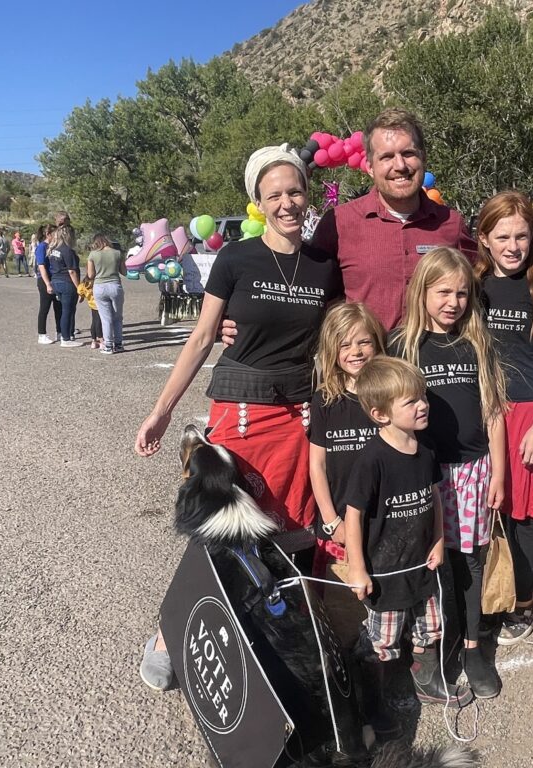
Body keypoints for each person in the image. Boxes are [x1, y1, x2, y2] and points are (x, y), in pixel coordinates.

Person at [133, 144, 343, 691]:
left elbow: (334, 337)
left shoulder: (324, 265)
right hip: (241, 410)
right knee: (219, 526)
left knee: (290, 530)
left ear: (307, 194)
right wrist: (161, 411)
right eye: (274, 194)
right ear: (257, 201)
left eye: (295, 191)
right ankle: (170, 634)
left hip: (300, 416)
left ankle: (277, 634)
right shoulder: (236, 259)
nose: (287, 202)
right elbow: (204, 335)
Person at [220, 108, 477, 343]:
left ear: (423, 157)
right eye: (387, 157)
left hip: (438, 377)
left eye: (408, 153)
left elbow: (483, 287)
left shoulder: (451, 224)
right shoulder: (340, 223)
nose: (400, 166)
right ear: (369, 165)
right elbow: (297, 280)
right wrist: (240, 314)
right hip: (365, 377)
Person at [390, 247, 507, 698]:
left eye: (461, 293)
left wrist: (497, 473)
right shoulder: (402, 345)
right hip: (425, 476)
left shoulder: (477, 341)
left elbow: (494, 409)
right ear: (422, 291)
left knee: (471, 562)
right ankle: (438, 645)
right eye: (443, 292)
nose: (452, 302)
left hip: (473, 470)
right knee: (433, 564)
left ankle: (475, 647)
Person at [345, 356, 471, 735]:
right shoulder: (371, 460)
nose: (423, 405)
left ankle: (427, 679)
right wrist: (357, 568)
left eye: (422, 397)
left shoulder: (427, 450)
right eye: (411, 402)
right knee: (383, 641)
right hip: (386, 572)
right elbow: (353, 515)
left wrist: (438, 539)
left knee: (430, 626)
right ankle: (371, 700)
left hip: (423, 565)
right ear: (380, 413)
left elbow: (434, 497)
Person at [476, 191, 533, 645]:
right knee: (490, 511)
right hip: (486, 412)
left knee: (529, 519)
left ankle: (525, 602)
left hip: (530, 415)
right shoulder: (473, 285)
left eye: (521, 236)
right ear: (485, 240)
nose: (512, 246)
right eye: (503, 236)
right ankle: (494, 593)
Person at [308, 302, 387, 646]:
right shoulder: (325, 400)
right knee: (344, 603)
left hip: (382, 522)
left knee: (384, 593)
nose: (355, 351)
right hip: (339, 524)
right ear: (332, 350)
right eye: (345, 344)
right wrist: (331, 521)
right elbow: (317, 465)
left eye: (364, 342)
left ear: (377, 344)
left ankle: (386, 649)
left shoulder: (390, 397)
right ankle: (344, 653)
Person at [86, 234, 126, 354]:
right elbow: (124, 272)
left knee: (105, 318)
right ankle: (118, 344)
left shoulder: (93, 254)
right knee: (117, 317)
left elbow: (90, 275)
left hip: (99, 287)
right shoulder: (117, 253)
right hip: (114, 285)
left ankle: (108, 345)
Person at [44, 222, 82, 347]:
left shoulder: (53, 249)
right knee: (68, 310)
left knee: (64, 310)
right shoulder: (68, 250)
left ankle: (66, 334)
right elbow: (72, 271)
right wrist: (79, 288)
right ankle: (66, 338)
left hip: (56, 281)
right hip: (67, 282)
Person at [34, 225, 61, 344]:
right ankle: (42, 334)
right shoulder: (41, 247)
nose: (57, 236)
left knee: (58, 307)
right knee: (44, 307)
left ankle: (60, 332)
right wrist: (47, 284)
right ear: (48, 234)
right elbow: (41, 266)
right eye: (55, 234)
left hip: (55, 278)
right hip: (45, 280)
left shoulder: (53, 247)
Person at [77, 275, 102, 348]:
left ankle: (93, 341)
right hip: (99, 305)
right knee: (99, 322)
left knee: (94, 321)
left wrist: (83, 296)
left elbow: (80, 299)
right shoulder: (96, 283)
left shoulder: (83, 284)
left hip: (92, 304)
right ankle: (101, 340)